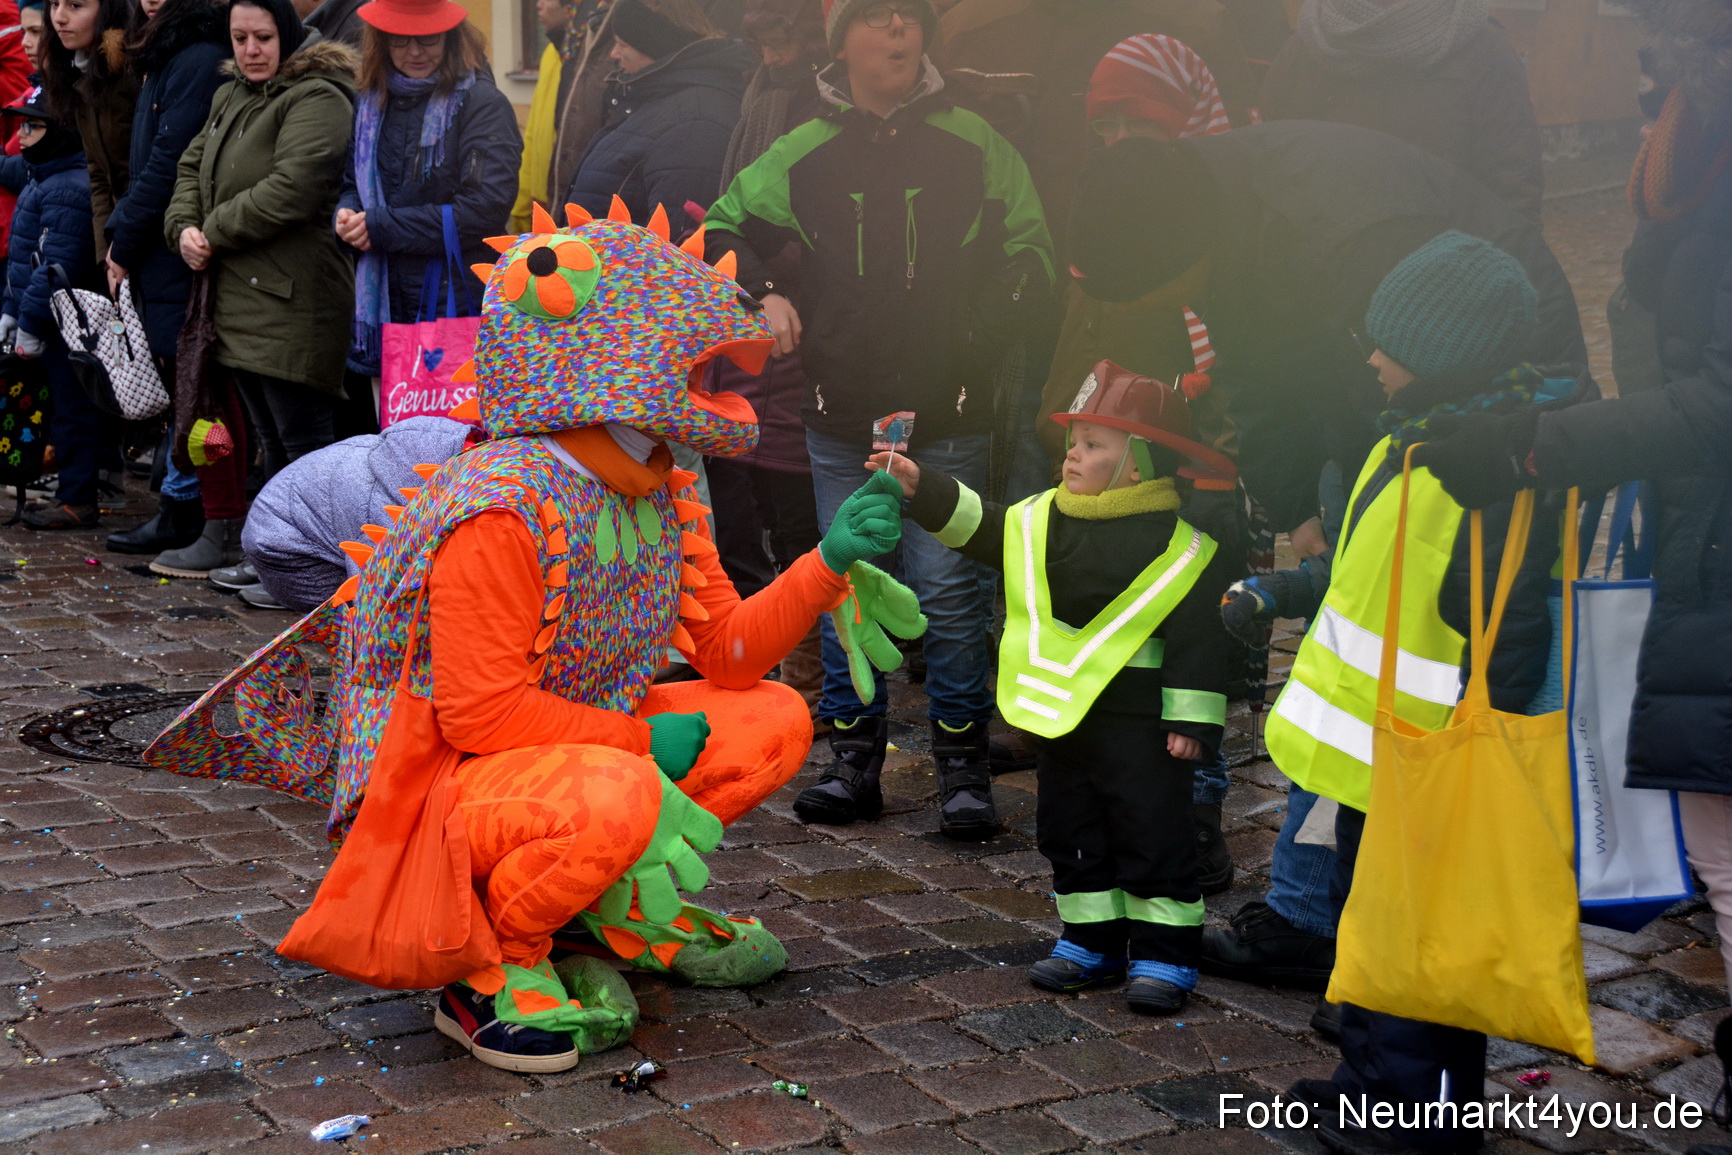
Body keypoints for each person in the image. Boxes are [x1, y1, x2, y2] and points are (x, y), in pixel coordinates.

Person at [149, 213, 926, 1074]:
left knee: (772, 716)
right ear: (602, 352)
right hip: (446, 794)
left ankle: (602, 910)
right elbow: (478, 712)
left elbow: (728, 653)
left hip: (567, 750)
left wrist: (829, 561)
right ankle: (494, 966)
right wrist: (635, 741)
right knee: (621, 787)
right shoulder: (505, 506)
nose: (709, 379)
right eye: (689, 363)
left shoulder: (656, 486)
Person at [1066, 121, 1590, 989]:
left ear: (1183, 256)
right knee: (1349, 661)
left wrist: (1369, 507)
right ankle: (1316, 916)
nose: (1176, 313)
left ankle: (1456, 919)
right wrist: (1307, 514)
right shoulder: (1210, 218)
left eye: (1166, 296)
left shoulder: (1346, 242)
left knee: (1464, 667)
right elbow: (1265, 373)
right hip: (1394, 425)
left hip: (1502, 417)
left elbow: (1380, 364)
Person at [1409, 0, 1732, 1008]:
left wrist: (1533, 446)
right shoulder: (1695, 196)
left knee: (1725, 850)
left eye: (1655, 94)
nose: (1642, 122)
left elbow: (1714, 401)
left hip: (1713, 537)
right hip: (1696, 531)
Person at [705, 0, 1053, 840]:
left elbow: (1035, 254)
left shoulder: (976, 138)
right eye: (878, 15)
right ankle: (854, 761)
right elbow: (719, 228)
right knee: (847, 582)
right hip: (841, 416)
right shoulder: (805, 148)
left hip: (951, 411)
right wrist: (769, 292)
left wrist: (976, 338)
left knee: (949, 590)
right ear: (844, 40)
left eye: (912, 16)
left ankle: (964, 769)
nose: (900, 30)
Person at [1270, 233, 1569, 1155]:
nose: (1368, 356)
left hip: (1434, 757)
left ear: (1440, 356)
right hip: (1380, 750)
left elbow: (1510, 629)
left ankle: (1413, 1116)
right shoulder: (1411, 443)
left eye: (1386, 342)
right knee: (1376, 928)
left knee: (1417, 951)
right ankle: (1371, 1081)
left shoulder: (1485, 473)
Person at [874, 362, 1237, 1012]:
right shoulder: (1043, 520)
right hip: (1063, 723)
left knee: (1155, 832)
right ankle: (1090, 938)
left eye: (1095, 444)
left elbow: (1199, 642)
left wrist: (1193, 721)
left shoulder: (1179, 546)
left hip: (1144, 727)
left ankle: (1165, 953)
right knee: (1070, 830)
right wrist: (922, 487)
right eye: (1074, 440)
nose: (1073, 453)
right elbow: (983, 527)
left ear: (1137, 465)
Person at [159, 0, 357, 577]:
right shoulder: (231, 95)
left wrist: (212, 233)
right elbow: (190, 170)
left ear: (287, 35)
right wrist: (183, 229)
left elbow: (292, 187)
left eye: (263, 37)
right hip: (238, 299)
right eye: (240, 38)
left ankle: (313, 565)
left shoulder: (319, 97)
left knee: (304, 444)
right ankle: (273, 555)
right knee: (268, 438)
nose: (250, 50)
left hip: (294, 297)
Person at [703, 0, 827, 721]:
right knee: (740, 492)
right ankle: (753, 646)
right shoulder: (761, 87)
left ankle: (804, 672)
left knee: (794, 502)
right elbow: (735, 203)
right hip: (746, 316)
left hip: (795, 331)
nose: (772, 50)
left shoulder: (818, 101)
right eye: (765, 41)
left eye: (784, 40)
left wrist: (774, 270)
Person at [935, 0, 1249, 266]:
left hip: (1147, 287)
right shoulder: (965, 29)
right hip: (1001, 287)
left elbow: (1233, 176)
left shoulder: (1197, 25)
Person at [334, 0, 521, 404]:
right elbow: (352, 181)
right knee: (399, 448)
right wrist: (347, 214)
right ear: (381, 43)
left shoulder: (482, 105)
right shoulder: (369, 102)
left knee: (459, 446)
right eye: (400, 41)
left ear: (451, 38)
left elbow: (485, 208)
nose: (414, 52)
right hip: (385, 306)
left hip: (458, 302)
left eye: (428, 39)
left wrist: (379, 226)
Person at [101, 0, 234, 561]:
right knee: (182, 380)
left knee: (195, 384)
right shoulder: (165, 46)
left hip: (176, 243)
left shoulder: (198, 53)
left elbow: (166, 161)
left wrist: (123, 238)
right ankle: (183, 503)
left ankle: (190, 509)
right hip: (161, 240)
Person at [1260, 0, 1542, 224]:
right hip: (1330, 278)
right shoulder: (1303, 51)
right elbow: (1274, 181)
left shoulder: (1483, 52)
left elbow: (1513, 192)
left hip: (1445, 277)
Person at [240, 414, 474, 610]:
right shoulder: (388, 507)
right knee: (393, 609)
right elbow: (373, 586)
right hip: (283, 549)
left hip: (298, 514)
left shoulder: (438, 450)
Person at [561, 0, 749, 231]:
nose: (613, 53)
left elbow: (676, 243)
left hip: (623, 267)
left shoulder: (696, 121)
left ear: (655, 47)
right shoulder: (652, 99)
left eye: (623, 45)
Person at [1, 87, 96, 529]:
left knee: (71, 410)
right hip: (41, 320)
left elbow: (57, 265)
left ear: (58, 132)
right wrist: (9, 308)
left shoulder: (67, 187)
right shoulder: (43, 178)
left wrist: (30, 321)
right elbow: (23, 257)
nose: (21, 135)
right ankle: (69, 490)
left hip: (60, 325)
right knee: (57, 408)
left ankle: (78, 499)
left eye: (33, 125)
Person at [41, 0, 135, 252]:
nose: (59, 17)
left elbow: (149, 174)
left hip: (153, 238)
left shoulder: (131, 72)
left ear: (107, 11)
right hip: (121, 244)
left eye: (75, 5)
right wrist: (106, 256)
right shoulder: (76, 69)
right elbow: (99, 177)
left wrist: (123, 250)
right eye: (53, 4)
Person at [511, 0, 582, 233]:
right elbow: (534, 132)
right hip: (539, 204)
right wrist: (522, 203)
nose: (538, 6)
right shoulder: (552, 52)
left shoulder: (585, 58)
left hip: (569, 207)